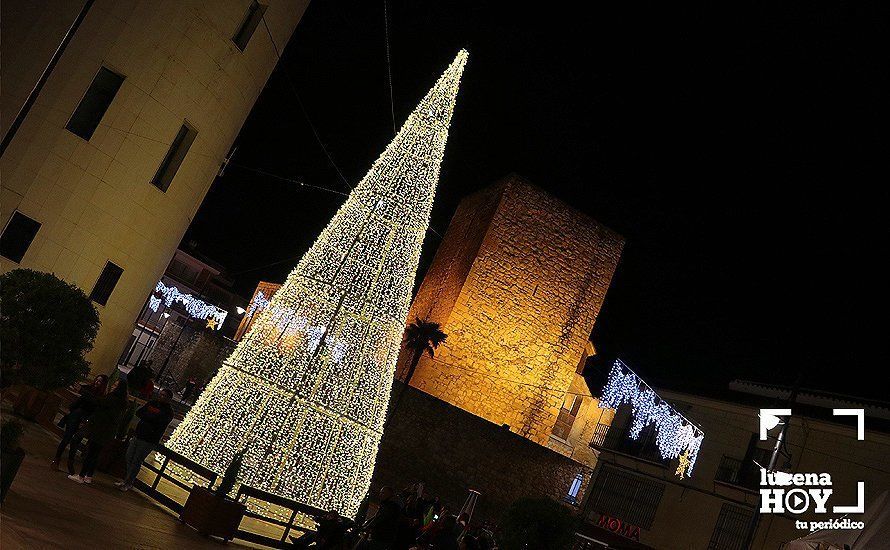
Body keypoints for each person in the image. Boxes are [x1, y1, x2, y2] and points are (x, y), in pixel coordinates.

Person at [67, 380, 128, 484]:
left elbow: (98, 401)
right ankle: (88, 476)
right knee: (95, 454)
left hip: (100, 428)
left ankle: (81, 476)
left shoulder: (113, 398)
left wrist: (82, 391)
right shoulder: (122, 401)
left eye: (115, 385)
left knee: (91, 453)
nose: (112, 386)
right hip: (107, 430)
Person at [116, 388, 174, 491]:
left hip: (149, 439)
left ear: (169, 399)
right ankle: (128, 479)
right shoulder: (152, 403)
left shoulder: (168, 411)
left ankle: (128, 482)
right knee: (129, 456)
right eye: (161, 394)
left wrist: (149, 416)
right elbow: (140, 412)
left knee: (137, 460)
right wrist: (151, 416)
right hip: (138, 434)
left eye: (164, 396)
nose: (161, 397)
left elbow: (159, 421)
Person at [52, 374, 107, 472]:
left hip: (85, 419)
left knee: (75, 442)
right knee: (67, 438)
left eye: (100, 381)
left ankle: (70, 464)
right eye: (96, 380)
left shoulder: (101, 396)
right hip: (76, 415)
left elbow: (93, 401)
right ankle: (56, 460)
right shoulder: (89, 388)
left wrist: (82, 391)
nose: (97, 382)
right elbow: (80, 396)